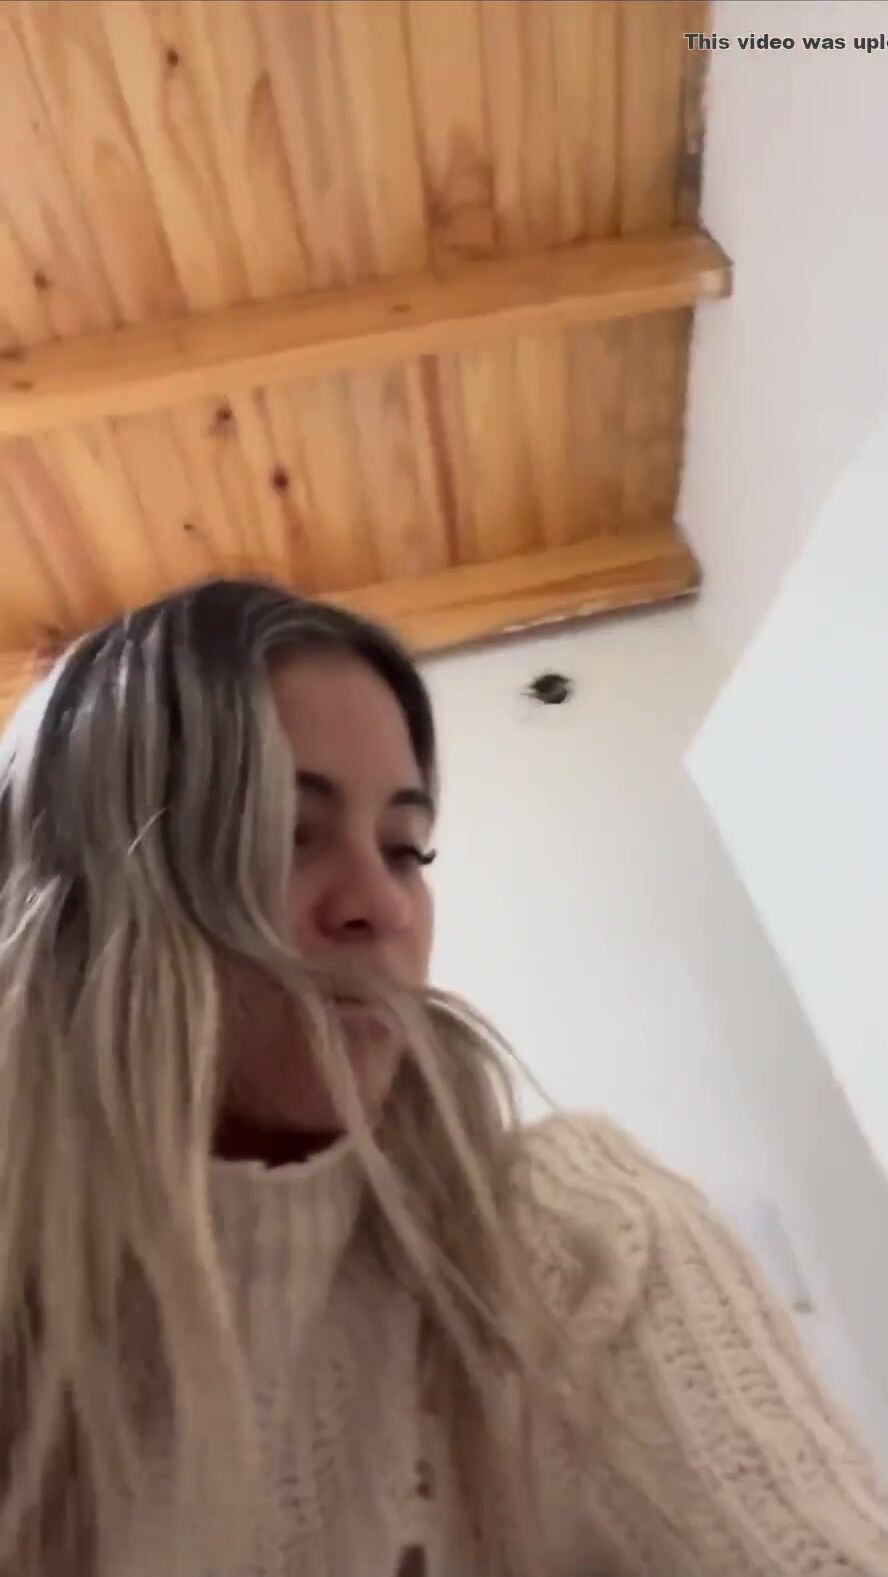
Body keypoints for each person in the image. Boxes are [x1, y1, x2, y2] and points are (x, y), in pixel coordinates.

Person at [0, 577, 886, 1577]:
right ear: (89, 901)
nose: (382, 906)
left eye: (404, 848)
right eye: (286, 833)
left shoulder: (575, 1235)